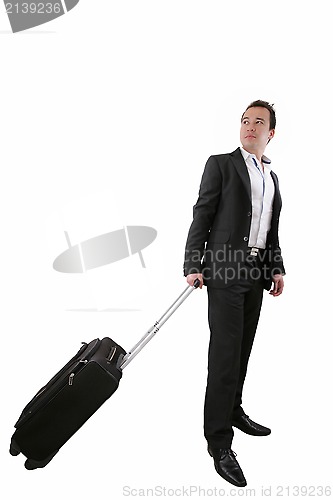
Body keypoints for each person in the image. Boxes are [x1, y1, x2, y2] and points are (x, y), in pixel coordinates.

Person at [183, 100, 285, 487]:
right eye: (245, 121)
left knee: (242, 349)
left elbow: (269, 229)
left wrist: (276, 267)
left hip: (256, 272)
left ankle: (234, 410)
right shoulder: (221, 164)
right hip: (224, 271)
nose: (250, 127)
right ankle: (218, 442)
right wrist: (193, 263)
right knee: (224, 356)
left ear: (271, 132)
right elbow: (202, 214)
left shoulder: (272, 178)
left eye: (259, 122)